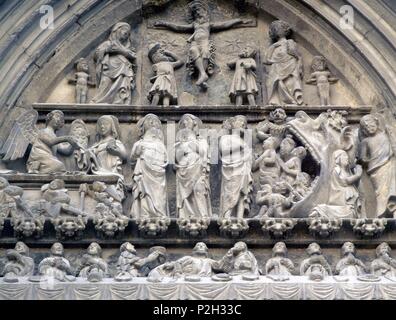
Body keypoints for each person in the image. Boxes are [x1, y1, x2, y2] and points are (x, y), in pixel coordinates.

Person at [154, 0, 252, 89]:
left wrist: (238, 20)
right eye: (196, 13)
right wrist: (164, 24)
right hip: (195, 43)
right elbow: (179, 27)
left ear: (205, 12)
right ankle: (203, 74)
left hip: (205, 43)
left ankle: (202, 76)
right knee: (192, 51)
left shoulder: (208, 24)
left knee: (205, 52)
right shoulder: (195, 25)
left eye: (199, 11)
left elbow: (224, 25)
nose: (198, 13)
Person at [130, 114, 169, 219]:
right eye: (149, 121)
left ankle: (159, 212)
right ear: (143, 128)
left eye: (155, 121)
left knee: (159, 193)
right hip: (143, 171)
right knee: (144, 193)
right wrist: (137, 153)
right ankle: (144, 213)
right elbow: (132, 161)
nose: (152, 123)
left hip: (158, 174)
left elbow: (166, 159)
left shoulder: (161, 144)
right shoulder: (139, 143)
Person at [175, 114, 211, 220]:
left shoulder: (201, 140)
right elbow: (175, 157)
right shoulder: (179, 142)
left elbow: (203, 152)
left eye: (187, 120)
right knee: (185, 195)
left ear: (194, 123)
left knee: (199, 189)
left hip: (197, 169)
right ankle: (186, 215)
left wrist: (191, 143)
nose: (185, 123)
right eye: (183, 122)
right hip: (183, 170)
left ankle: (202, 215)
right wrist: (183, 146)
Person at [359, 114, 396, 218]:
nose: (370, 128)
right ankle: (380, 214)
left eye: (371, 125)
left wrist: (391, 134)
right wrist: (364, 160)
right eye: (366, 128)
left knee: (391, 188)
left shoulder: (385, 135)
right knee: (380, 193)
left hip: (389, 165)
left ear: (376, 123)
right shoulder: (365, 142)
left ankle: (391, 209)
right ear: (364, 131)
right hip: (375, 170)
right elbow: (362, 158)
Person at [91, 22, 136, 104]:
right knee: (106, 83)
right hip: (109, 68)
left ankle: (119, 101)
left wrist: (121, 50)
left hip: (123, 70)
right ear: (116, 31)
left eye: (128, 33)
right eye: (124, 30)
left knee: (123, 85)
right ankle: (100, 100)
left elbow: (133, 56)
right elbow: (97, 54)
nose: (126, 33)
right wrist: (107, 50)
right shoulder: (108, 43)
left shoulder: (126, 47)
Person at [219, 116, 253, 219]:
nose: (243, 124)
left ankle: (240, 217)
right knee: (230, 191)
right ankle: (227, 216)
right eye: (240, 121)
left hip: (244, 169)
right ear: (233, 123)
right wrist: (240, 147)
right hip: (231, 169)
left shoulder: (244, 142)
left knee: (243, 192)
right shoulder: (226, 138)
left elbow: (249, 158)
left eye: (245, 123)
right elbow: (224, 150)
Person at [264, 20, 303, 105]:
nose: (275, 30)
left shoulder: (289, 42)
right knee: (272, 83)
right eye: (274, 29)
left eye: (277, 28)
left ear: (285, 30)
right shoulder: (274, 46)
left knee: (289, 84)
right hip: (276, 68)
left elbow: (297, 56)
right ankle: (276, 101)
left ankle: (291, 101)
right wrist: (273, 46)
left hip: (290, 66)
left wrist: (299, 66)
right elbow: (267, 60)